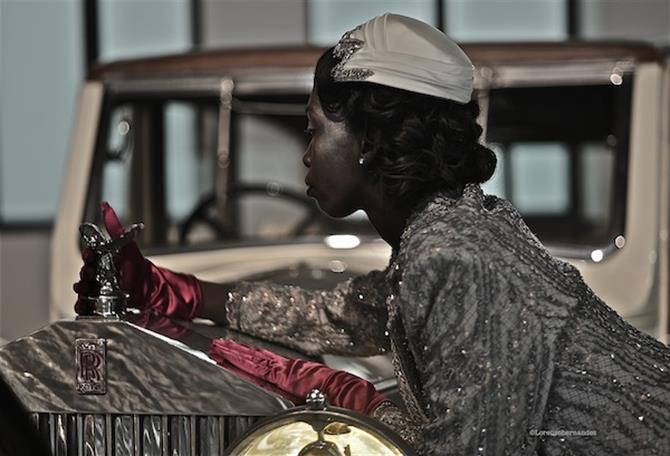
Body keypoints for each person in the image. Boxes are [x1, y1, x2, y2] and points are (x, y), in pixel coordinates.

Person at [74, 13, 670, 456]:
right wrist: (177, 293)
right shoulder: (450, 231)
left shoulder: (456, 256)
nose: (305, 156)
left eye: (313, 131)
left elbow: (473, 450)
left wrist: (361, 404)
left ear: (369, 139)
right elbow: (343, 316)